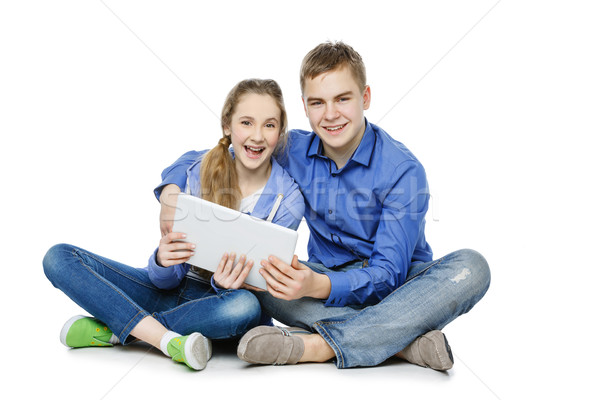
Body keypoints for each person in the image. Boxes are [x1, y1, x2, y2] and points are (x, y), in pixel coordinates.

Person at [155, 42, 491, 370]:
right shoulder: (291, 148)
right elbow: (215, 152)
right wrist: (171, 192)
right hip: (323, 277)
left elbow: (388, 274)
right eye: (318, 103)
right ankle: (403, 343)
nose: (330, 115)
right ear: (304, 106)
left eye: (342, 99)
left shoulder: (403, 170)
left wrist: (319, 286)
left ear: (366, 97)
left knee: (473, 267)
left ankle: (320, 345)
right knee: (264, 279)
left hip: (402, 285)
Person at [43, 78, 305, 371]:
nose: (257, 136)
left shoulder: (289, 200)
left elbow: (261, 285)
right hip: (168, 293)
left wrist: (222, 283)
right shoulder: (197, 170)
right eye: (246, 122)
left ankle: (123, 329)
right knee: (59, 257)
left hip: (219, 307)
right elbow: (162, 281)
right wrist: (162, 261)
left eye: (269, 125)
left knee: (244, 307)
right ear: (227, 126)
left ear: (280, 133)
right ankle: (168, 340)